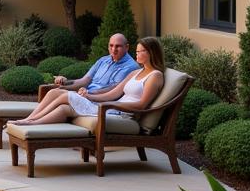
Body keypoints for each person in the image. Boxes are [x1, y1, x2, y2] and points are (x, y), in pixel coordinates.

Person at [18, 36, 165, 126]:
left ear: (151, 53)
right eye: (137, 51)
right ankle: (32, 121)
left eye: (141, 52)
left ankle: (30, 120)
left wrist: (109, 103)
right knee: (63, 105)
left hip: (120, 112)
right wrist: (89, 96)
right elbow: (114, 92)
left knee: (63, 95)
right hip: (110, 107)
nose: (137, 54)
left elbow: (142, 104)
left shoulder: (155, 75)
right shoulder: (136, 71)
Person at [32, 33, 137, 116]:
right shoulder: (103, 60)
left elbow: (113, 90)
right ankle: (31, 120)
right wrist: (65, 83)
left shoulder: (130, 67)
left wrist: (88, 93)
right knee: (56, 91)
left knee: (54, 94)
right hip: (86, 95)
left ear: (127, 47)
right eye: (111, 45)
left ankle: (30, 119)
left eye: (118, 46)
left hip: (100, 101)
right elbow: (85, 80)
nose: (114, 49)